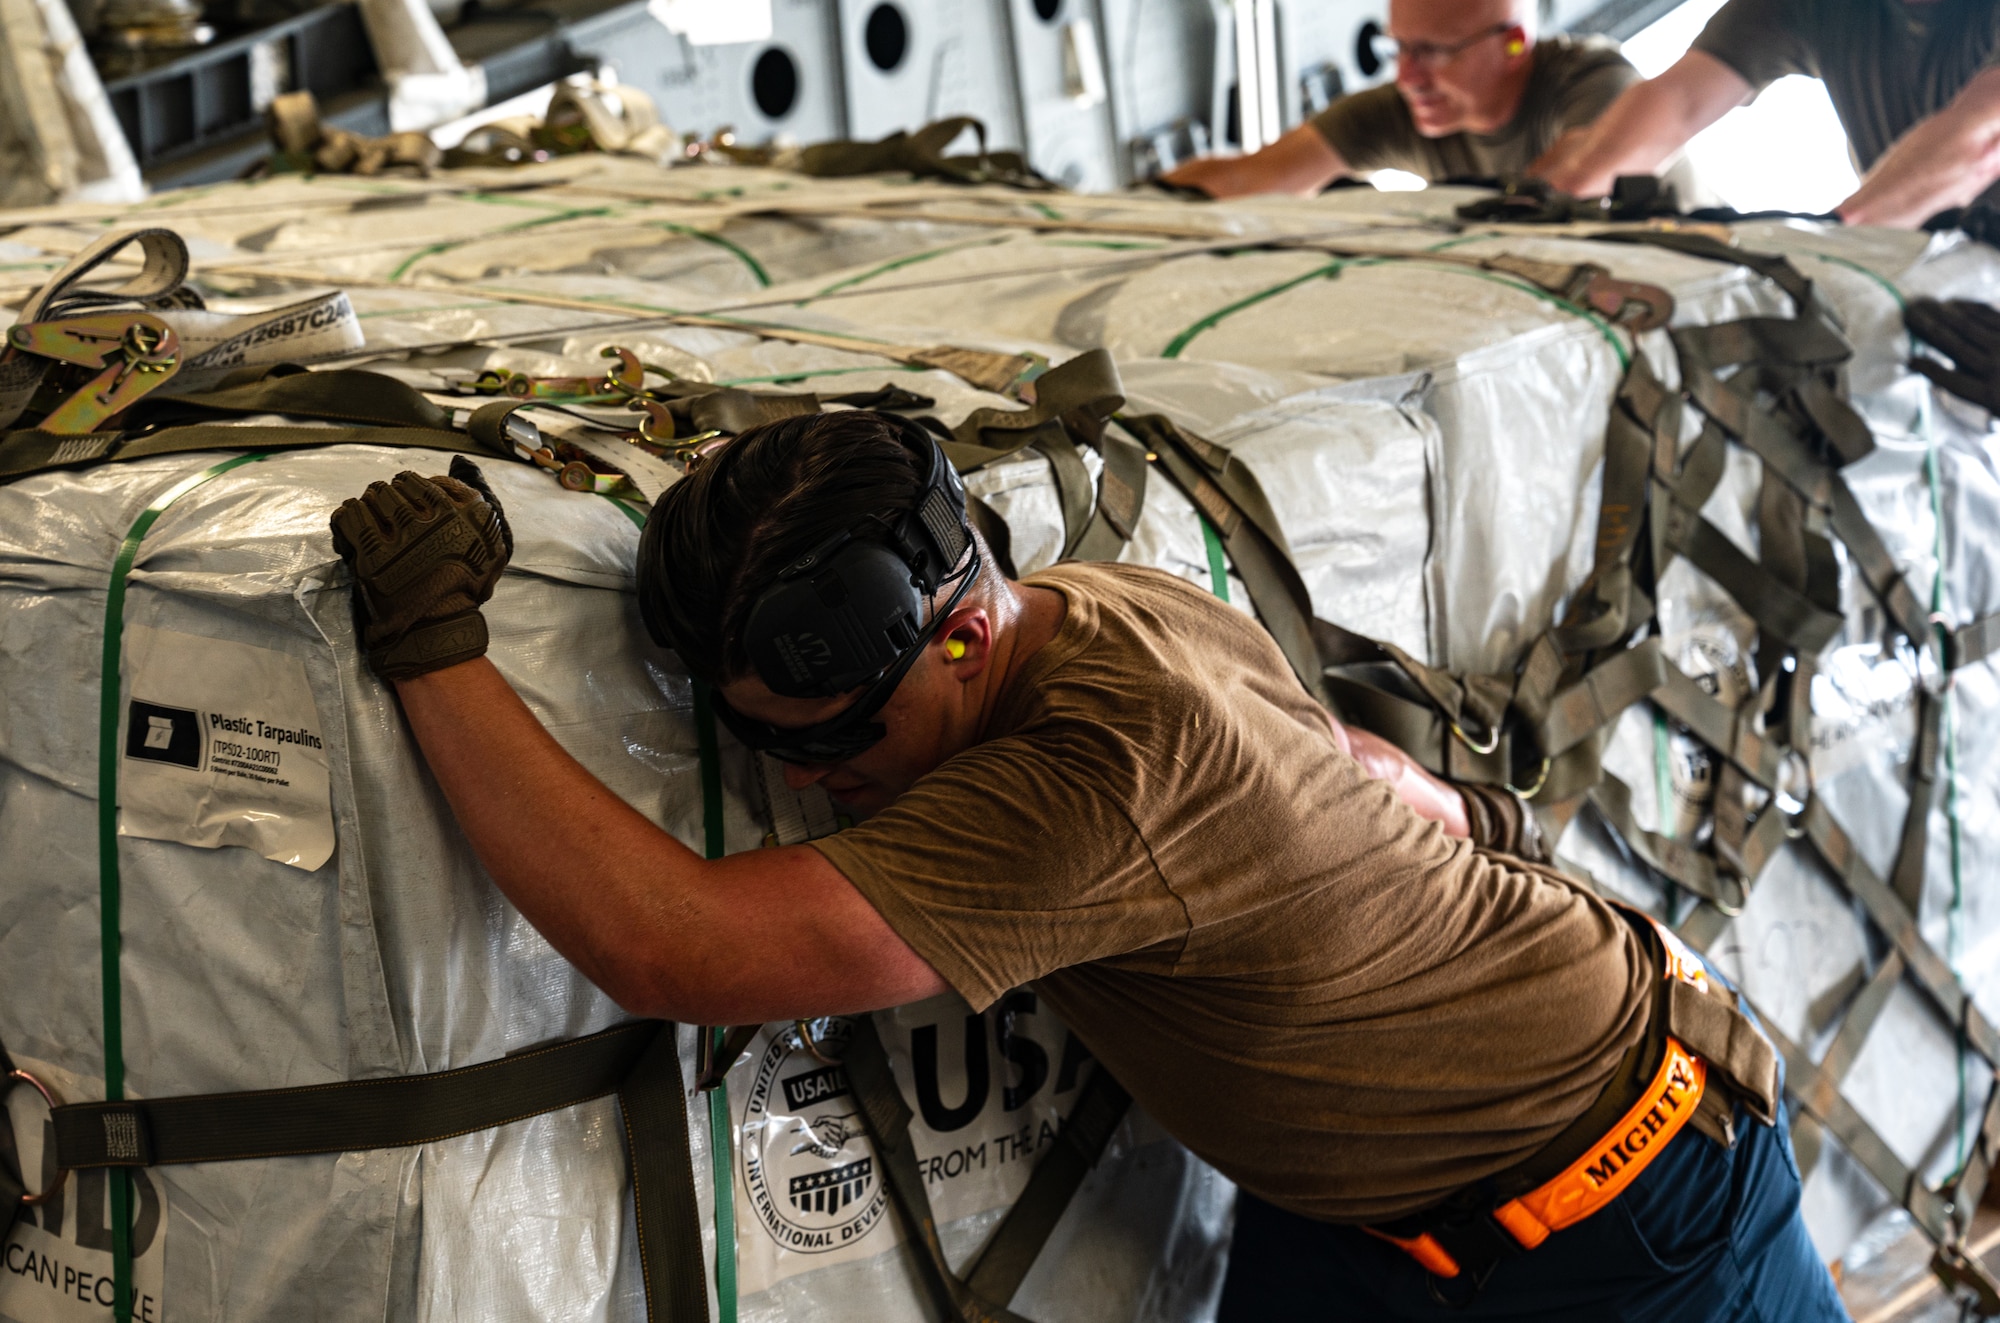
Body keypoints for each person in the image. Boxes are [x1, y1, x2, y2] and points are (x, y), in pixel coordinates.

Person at [329, 413, 1847, 1321]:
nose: (807, 779)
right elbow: (1345, 768)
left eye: (842, 732)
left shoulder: (1089, 777)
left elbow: (684, 953)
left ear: (967, 632)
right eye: (760, 741)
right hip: (1377, 1214)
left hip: (1629, 1226)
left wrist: (435, 655)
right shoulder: (1091, 600)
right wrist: (1448, 833)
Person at [1530, 0, 2000, 226]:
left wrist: (1834, 240)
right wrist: (1542, 202)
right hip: (1935, 276)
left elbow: (1977, 143)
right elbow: (1678, 102)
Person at [1160, 0, 1684, 201]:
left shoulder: (1591, 80)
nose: (1408, 76)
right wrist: (1134, 202)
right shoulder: (1403, 112)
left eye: (1434, 52)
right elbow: (1245, 177)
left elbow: (1587, 169)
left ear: (1515, 42)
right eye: (1400, 48)